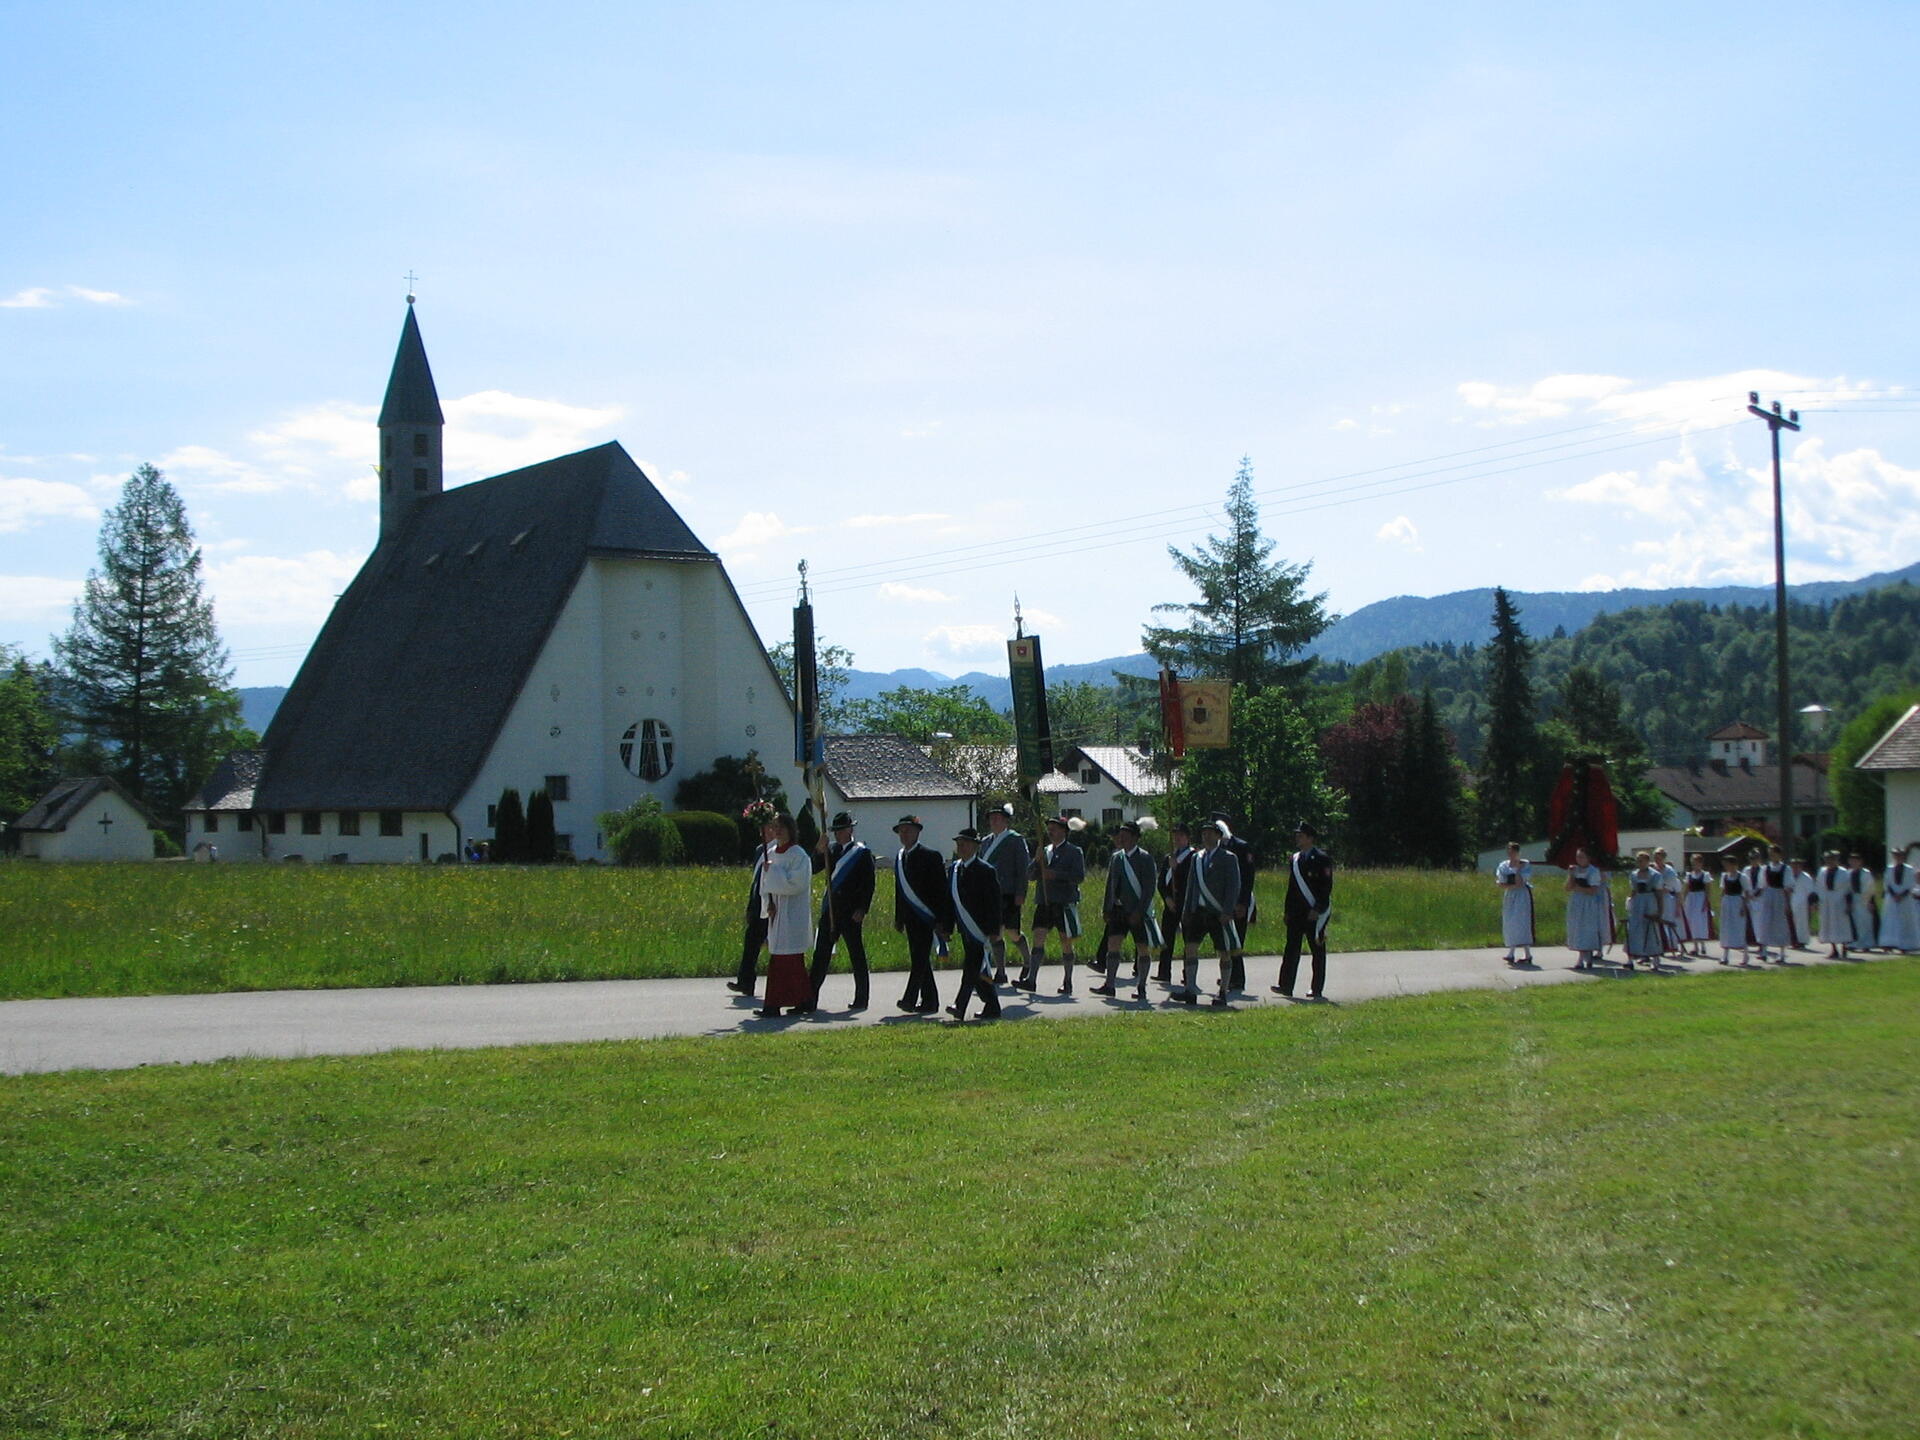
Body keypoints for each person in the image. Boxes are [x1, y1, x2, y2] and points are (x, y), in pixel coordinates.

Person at [804, 811, 873, 1013]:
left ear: (850, 829)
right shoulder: (831, 850)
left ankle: (861, 998)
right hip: (831, 910)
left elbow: (868, 884)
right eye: (835, 830)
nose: (838, 834)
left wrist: (862, 908)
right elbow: (812, 868)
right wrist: (818, 851)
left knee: (856, 955)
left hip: (851, 912)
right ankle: (810, 999)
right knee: (820, 956)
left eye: (841, 830)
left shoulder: (861, 853)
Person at [1172, 818, 1241, 1005]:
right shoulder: (1197, 857)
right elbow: (1191, 886)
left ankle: (1223, 992)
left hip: (1218, 913)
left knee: (1224, 951)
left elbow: (1233, 886)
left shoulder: (1228, 858)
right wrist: (1186, 912)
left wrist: (1228, 910)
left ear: (1218, 836)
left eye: (1210, 833)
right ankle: (1190, 989)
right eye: (1204, 833)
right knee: (1190, 948)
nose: (1206, 836)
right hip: (1198, 911)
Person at [754, 813, 816, 1018]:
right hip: (777, 914)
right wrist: (768, 903)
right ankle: (801, 1000)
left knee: (790, 960)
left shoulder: (799, 856)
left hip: (793, 915)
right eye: (775, 827)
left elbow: (796, 884)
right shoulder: (771, 852)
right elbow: (764, 884)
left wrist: (773, 873)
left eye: (782, 827)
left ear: (791, 830)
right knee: (779, 959)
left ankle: (777, 1004)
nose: (778, 831)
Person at [1093, 820, 1160, 1001]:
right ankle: (1109, 985)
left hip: (1137, 911)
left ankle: (1141, 987)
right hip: (1118, 910)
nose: (1121, 838)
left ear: (1135, 837)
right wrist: (1107, 908)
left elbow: (1149, 888)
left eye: (1125, 835)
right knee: (1113, 944)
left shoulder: (1145, 858)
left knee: (1142, 948)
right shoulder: (1117, 858)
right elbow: (1110, 884)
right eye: (1120, 835)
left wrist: (1140, 911)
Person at [944, 828, 1005, 1021]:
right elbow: (950, 901)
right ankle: (992, 1006)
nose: (961, 847)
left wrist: (994, 929)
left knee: (970, 968)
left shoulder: (986, 870)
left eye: (965, 843)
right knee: (978, 970)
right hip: (965, 928)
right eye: (959, 844)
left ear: (975, 847)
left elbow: (994, 903)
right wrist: (947, 927)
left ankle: (960, 1006)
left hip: (981, 930)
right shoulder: (954, 869)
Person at [892, 814, 951, 1013]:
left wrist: (941, 920)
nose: (904, 834)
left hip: (927, 917)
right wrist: (899, 918)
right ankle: (930, 1001)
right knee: (921, 959)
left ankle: (909, 999)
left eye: (908, 830)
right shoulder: (900, 858)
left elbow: (941, 890)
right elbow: (899, 892)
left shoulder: (931, 856)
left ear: (917, 832)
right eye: (901, 831)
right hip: (910, 918)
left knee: (919, 960)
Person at [1024, 816, 1087, 994]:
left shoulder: (1074, 852)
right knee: (1038, 937)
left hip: (1063, 903)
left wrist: (1056, 875)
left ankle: (1068, 981)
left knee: (1065, 942)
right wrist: (1036, 860)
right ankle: (1031, 979)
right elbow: (1030, 875)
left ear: (1064, 831)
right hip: (1044, 902)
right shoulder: (1044, 850)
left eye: (1055, 828)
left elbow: (1079, 876)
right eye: (1049, 828)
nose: (1050, 831)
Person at [1274, 820, 1333, 999]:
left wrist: (1318, 908)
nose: (1297, 838)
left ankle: (1316, 988)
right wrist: (1287, 911)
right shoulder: (1295, 859)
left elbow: (1326, 886)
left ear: (1310, 838)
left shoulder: (1322, 858)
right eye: (1297, 835)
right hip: (1296, 912)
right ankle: (1286, 985)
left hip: (1314, 912)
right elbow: (1292, 888)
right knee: (1291, 949)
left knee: (1317, 950)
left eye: (1301, 835)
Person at [725, 813, 778, 998]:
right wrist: (750, 906)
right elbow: (755, 882)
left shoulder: (776, 850)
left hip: (771, 905)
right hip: (758, 904)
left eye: (767, 827)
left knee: (774, 947)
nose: (763, 832)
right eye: (762, 828)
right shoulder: (759, 851)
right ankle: (746, 981)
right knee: (751, 944)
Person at [979, 803, 1031, 984]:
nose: (994, 821)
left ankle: (1028, 961)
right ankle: (1000, 972)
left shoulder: (1015, 840)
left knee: (1013, 931)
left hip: (1009, 892)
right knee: (995, 933)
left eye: (997, 818)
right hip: (990, 894)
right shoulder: (985, 842)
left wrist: (1021, 892)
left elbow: (1023, 868)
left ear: (1005, 820)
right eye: (991, 818)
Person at [1212, 812, 1258, 992]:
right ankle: (1229, 975)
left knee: (1236, 940)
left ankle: (1238, 979)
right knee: (1225, 941)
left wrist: (1242, 903)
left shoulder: (1241, 847)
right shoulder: (1215, 849)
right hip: (1222, 902)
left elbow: (1248, 878)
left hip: (1239, 900)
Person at [1154, 820, 1194, 984]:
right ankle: (1164, 972)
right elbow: (1161, 883)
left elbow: (1189, 881)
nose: (1177, 838)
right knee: (1166, 939)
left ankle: (1188, 974)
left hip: (1186, 905)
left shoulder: (1193, 857)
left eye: (1181, 835)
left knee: (1188, 941)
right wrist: (1167, 898)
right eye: (1175, 835)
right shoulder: (1169, 857)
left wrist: (1177, 868)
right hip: (1171, 905)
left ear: (1187, 838)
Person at [1564, 846, 1613, 970]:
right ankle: (1583, 957)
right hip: (1577, 902)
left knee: (1587, 929)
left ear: (1588, 858)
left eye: (1582, 857)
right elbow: (1568, 887)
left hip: (1588, 903)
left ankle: (1583, 958)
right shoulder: (1575, 870)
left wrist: (1578, 888)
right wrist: (1571, 875)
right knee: (1577, 928)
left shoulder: (1593, 871)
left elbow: (1593, 890)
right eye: (1577, 857)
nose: (1579, 859)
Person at [1749, 844, 1791, 964]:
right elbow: (1761, 885)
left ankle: (1782, 953)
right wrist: (1754, 895)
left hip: (1779, 896)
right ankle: (1764, 951)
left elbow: (1788, 887)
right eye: (1770, 854)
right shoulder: (1765, 868)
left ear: (1779, 854)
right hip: (1768, 896)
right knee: (1765, 922)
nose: (1771, 856)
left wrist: (1787, 903)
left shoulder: (1785, 869)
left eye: (1773, 854)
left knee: (1780, 923)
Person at [1495, 842, 1535, 965]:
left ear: (1518, 852)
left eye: (1513, 851)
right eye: (1509, 851)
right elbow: (1501, 882)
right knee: (1510, 921)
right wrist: (1510, 885)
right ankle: (1511, 952)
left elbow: (1520, 883)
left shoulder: (1524, 864)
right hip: (1510, 895)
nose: (1511, 854)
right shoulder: (1504, 865)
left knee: (1522, 921)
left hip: (1522, 895)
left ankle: (1527, 953)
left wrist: (1518, 870)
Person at [1624, 850, 1664, 968]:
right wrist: (1629, 902)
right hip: (1637, 904)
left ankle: (1655, 959)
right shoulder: (1634, 875)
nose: (1639, 863)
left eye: (1641, 861)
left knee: (1651, 929)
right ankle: (1630, 959)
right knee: (1634, 929)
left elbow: (1659, 894)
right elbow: (1633, 891)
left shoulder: (1655, 875)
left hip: (1650, 903)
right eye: (1638, 861)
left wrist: (1660, 911)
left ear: (1647, 861)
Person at [1880, 845, 1919, 953]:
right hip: (1892, 898)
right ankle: (1889, 943)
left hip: (1905, 898)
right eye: (1896, 855)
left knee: (1905, 920)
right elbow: (1887, 883)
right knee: (1890, 920)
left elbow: (1911, 884)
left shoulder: (1909, 869)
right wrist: (1893, 894)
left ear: (1903, 856)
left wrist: (1902, 895)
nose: (1898, 857)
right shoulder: (1889, 868)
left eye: (1900, 855)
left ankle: (1906, 943)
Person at [1678, 852, 1716, 957]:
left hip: (1700, 898)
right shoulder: (1689, 875)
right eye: (1693, 863)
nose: (1695, 865)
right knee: (1692, 922)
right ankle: (1695, 946)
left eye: (1696, 863)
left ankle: (1702, 945)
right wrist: (1683, 900)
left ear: (1701, 863)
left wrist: (1706, 902)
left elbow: (1708, 890)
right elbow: (1686, 889)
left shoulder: (1705, 875)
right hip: (1691, 899)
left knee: (1700, 922)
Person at [1718, 852, 1751, 967]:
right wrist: (1721, 903)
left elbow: (1747, 893)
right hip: (1727, 902)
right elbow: (1723, 891)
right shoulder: (1724, 876)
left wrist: (1743, 907)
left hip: (1737, 902)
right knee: (1726, 928)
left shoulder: (1742, 877)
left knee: (1739, 928)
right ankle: (1725, 956)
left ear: (1733, 864)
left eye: (1727, 864)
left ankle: (1745, 954)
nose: (1726, 867)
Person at [1816, 850, 1850, 958]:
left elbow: (1848, 889)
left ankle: (1844, 946)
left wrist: (1848, 904)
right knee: (1828, 924)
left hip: (1839, 900)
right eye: (1828, 859)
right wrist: (1817, 901)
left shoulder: (1843, 872)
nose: (1830, 861)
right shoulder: (1822, 871)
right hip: (1826, 900)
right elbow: (1818, 886)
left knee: (1842, 924)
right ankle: (1834, 948)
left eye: (1832, 859)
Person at [1845, 853, 1878, 956]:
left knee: (1866, 921)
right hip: (1854, 899)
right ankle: (1856, 942)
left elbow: (1871, 888)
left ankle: (1868, 943)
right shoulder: (1848, 873)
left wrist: (1871, 902)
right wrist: (1849, 903)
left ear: (1860, 862)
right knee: (1856, 922)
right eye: (1851, 861)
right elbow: (1847, 889)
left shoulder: (1866, 873)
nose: (1853, 863)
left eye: (1856, 861)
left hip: (1865, 899)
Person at [1652, 846, 1682, 956]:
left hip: (1666, 898)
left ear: (1663, 858)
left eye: (1659, 858)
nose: (1657, 860)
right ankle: (1658, 946)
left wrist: (1658, 889)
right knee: (1655, 923)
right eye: (1655, 857)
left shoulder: (1669, 871)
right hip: (1654, 898)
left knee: (1668, 921)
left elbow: (1670, 887)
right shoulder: (1652, 869)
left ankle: (1673, 946)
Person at [1789, 855, 1818, 951]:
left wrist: (1812, 905)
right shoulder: (1788, 876)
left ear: (1801, 866)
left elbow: (1811, 892)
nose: (1795, 868)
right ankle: (1793, 940)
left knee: (1802, 923)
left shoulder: (1806, 877)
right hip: (1791, 901)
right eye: (1793, 865)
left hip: (1803, 903)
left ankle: (1802, 941)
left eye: (1797, 865)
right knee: (1792, 922)